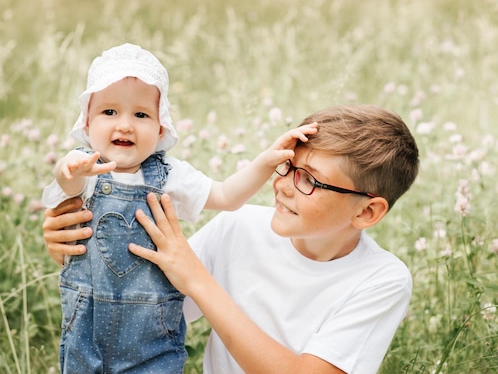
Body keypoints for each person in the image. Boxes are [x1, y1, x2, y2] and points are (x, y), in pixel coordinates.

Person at [43, 104, 420, 374]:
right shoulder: (238, 226)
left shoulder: (382, 278)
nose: (283, 185)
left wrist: (198, 281)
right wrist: (77, 247)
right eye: (287, 166)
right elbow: (140, 316)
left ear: (367, 212)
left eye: (309, 179)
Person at [42, 43, 318, 373]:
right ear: (87, 124)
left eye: (141, 114)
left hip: (151, 331)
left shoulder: (170, 175)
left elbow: (226, 196)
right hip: (87, 324)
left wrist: (265, 161)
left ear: (161, 129)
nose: (126, 125)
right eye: (109, 112)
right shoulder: (84, 166)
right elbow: (68, 183)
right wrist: (68, 171)